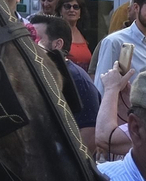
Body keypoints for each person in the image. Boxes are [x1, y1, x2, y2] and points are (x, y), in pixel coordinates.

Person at [40, 17, 102, 154]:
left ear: (57, 44)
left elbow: (89, 135)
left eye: (36, 39)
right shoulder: (41, 72)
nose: (29, 45)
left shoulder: (78, 80)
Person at [53, 0, 92, 67]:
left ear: (80, 12)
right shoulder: (55, 33)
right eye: (67, 6)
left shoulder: (85, 33)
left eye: (75, 7)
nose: (71, 10)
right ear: (60, 11)